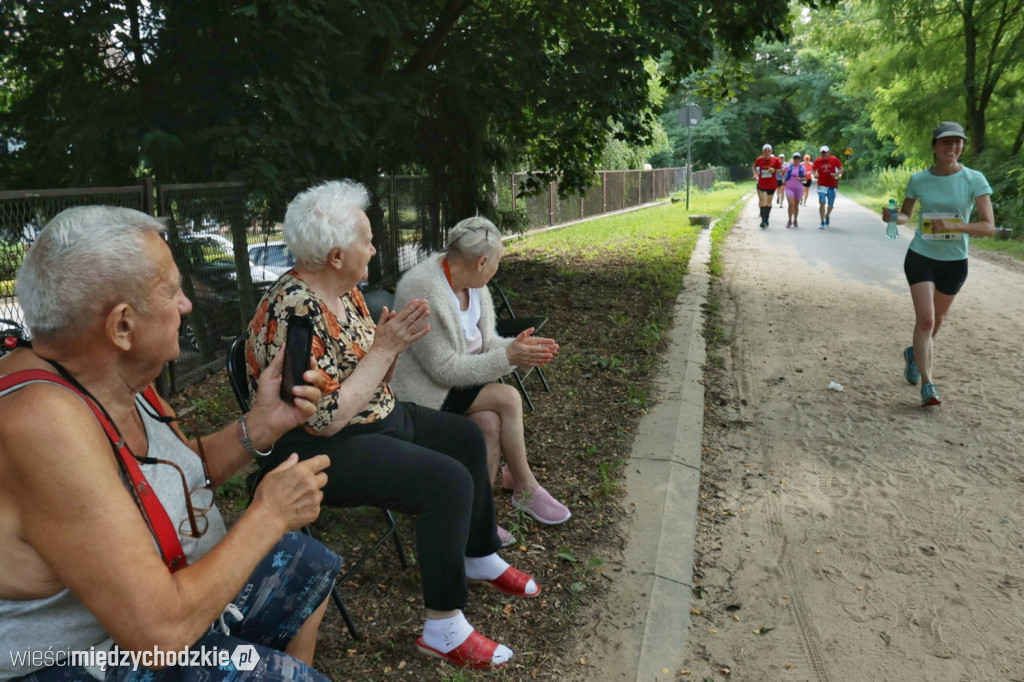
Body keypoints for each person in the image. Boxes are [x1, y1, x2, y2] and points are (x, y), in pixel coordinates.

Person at [0, 206, 339, 682]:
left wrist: (261, 425)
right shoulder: (42, 421)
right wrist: (268, 514)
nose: (186, 305)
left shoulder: (114, 376)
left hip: (170, 610)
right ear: (121, 326)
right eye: (172, 290)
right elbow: (158, 636)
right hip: (75, 660)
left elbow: (174, 473)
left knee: (307, 566)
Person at [245, 180, 541, 670]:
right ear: (337, 255)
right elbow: (319, 419)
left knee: (467, 437)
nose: (375, 246)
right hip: (325, 446)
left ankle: (477, 553)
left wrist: (390, 347)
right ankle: (443, 627)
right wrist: (385, 349)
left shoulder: (346, 292)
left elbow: (373, 374)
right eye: (366, 239)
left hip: (377, 415)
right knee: (444, 482)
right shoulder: (295, 312)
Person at [391, 216, 570, 545]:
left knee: (488, 422)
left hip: (459, 382)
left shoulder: (474, 283)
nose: (497, 269)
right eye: (498, 262)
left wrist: (517, 347)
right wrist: (509, 357)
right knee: (508, 398)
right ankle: (524, 485)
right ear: (482, 261)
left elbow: (486, 343)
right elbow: (443, 369)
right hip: (425, 393)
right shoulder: (422, 290)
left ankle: (477, 515)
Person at [881, 122, 994, 407]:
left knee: (937, 321)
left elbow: (988, 227)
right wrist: (894, 217)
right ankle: (928, 384)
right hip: (921, 256)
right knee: (927, 319)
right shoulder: (919, 179)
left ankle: (914, 355)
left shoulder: (974, 179)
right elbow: (907, 215)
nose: (952, 147)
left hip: (955, 261)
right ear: (934, 147)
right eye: (946, 142)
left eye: (958, 142)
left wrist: (956, 227)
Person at [813, 145, 843, 228]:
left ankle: (827, 215)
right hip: (822, 185)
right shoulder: (817, 161)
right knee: (822, 202)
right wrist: (815, 174)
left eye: (825, 153)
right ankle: (822, 222)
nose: (824, 154)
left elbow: (841, 169)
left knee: (830, 205)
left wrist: (836, 174)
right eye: (822, 153)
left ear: (828, 153)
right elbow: (813, 169)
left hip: (831, 185)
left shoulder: (834, 159)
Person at [753, 144, 783, 228]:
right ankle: (763, 221)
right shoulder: (759, 160)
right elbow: (754, 168)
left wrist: (774, 170)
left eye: (768, 150)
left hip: (772, 184)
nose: (767, 152)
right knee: (763, 202)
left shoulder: (776, 160)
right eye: (765, 150)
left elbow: (781, 171)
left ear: (771, 151)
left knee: (769, 203)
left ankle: (766, 218)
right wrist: (756, 175)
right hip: (762, 183)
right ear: (763, 151)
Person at [782, 152, 807, 228]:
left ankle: (795, 220)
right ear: (793, 159)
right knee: (791, 204)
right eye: (794, 158)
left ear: (800, 159)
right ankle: (789, 220)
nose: (796, 160)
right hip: (789, 188)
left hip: (798, 189)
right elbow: (783, 172)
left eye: (797, 158)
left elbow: (806, 178)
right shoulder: (788, 167)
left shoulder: (802, 168)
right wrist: (783, 179)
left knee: (796, 205)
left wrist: (801, 178)